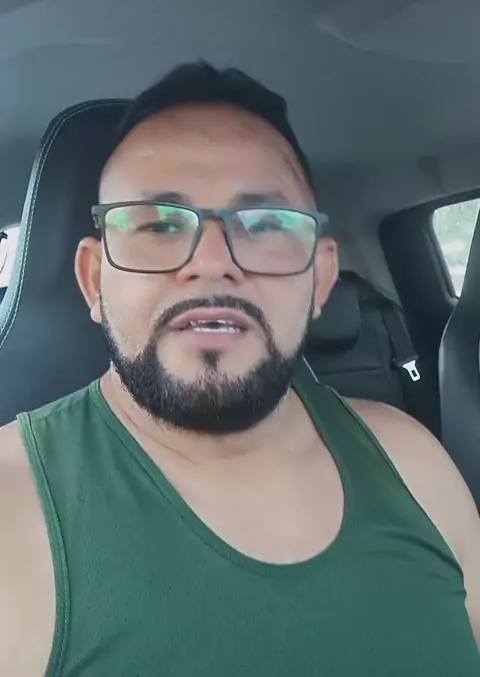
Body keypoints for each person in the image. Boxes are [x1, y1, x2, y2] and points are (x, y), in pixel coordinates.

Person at [1, 62, 479, 677]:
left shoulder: (412, 462)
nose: (211, 262)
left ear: (320, 279)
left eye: (264, 225)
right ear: (95, 280)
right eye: (158, 224)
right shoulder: (12, 507)